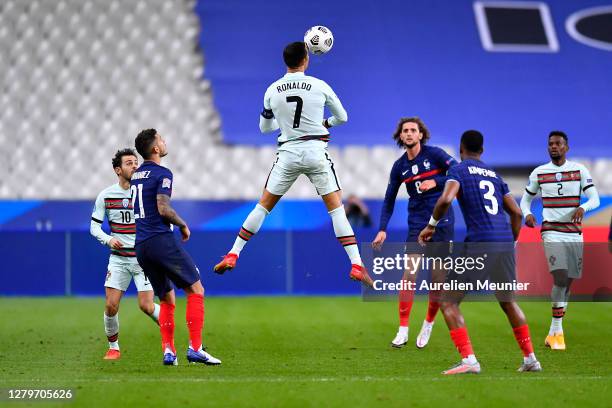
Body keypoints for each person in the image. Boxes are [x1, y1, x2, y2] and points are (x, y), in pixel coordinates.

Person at [213, 41, 371, 286]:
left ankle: (234, 253)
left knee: (263, 207)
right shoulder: (319, 86)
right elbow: (343, 117)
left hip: (287, 153)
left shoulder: (272, 90)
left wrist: (285, 126)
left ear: (285, 61)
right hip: (315, 151)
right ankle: (357, 264)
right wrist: (324, 124)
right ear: (305, 59)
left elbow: (264, 128)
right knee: (336, 209)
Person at [419, 130, 541, 374]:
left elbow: (445, 199)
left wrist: (430, 225)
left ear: (461, 149)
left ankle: (469, 360)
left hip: (479, 243)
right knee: (508, 302)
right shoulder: (495, 175)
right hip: (503, 243)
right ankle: (530, 359)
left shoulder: (459, 170)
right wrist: (511, 242)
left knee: (449, 303)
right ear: (482, 151)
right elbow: (516, 213)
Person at [132, 129, 221, 366]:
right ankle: (195, 348)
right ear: (156, 149)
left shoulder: (137, 175)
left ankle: (169, 352)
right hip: (160, 239)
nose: (164, 140)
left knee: (167, 298)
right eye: (161, 138)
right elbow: (163, 208)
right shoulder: (163, 173)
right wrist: (182, 224)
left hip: (141, 245)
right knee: (196, 289)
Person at [372, 117, 457, 349]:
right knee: (409, 275)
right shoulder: (399, 166)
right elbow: (389, 200)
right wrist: (382, 229)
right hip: (417, 224)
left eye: (413, 130)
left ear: (421, 135)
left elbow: (457, 172)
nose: (409, 134)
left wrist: (436, 182)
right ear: (400, 136)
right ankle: (402, 330)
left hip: (442, 222)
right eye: (405, 131)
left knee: (437, 281)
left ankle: (428, 323)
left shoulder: (436, 154)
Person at [520, 131, 600, 350]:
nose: (553, 147)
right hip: (551, 231)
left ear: (566, 147)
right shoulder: (539, 172)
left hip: (574, 233)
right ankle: (558, 332)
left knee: (569, 281)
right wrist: (526, 214)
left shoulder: (579, 170)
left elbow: (595, 198)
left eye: (558, 144)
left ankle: (554, 330)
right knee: (561, 276)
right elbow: (525, 201)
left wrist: (583, 207)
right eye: (550, 144)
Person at [90, 148, 160, 360]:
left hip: (143, 259)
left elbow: (162, 218)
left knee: (146, 306)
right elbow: (94, 227)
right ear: (118, 170)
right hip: (119, 259)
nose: (135, 166)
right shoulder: (106, 195)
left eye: (136, 162)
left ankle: (170, 336)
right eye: (129, 163)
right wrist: (109, 239)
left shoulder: (147, 192)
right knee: (111, 305)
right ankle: (114, 348)